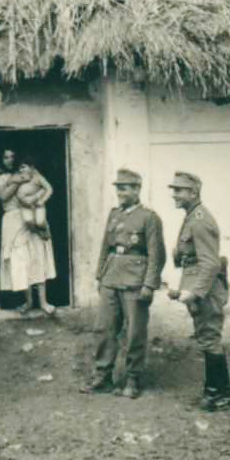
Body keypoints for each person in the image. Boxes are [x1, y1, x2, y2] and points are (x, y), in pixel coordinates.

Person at [81, 169, 165, 398]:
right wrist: (100, 275)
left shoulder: (149, 218)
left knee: (134, 331)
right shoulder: (114, 214)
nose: (119, 192)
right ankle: (103, 375)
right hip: (111, 276)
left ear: (137, 189)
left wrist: (149, 284)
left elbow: (157, 254)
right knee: (104, 328)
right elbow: (105, 247)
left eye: (124, 187)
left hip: (135, 281)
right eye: (117, 187)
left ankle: (132, 378)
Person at [168, 171, 230, 411]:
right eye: (173, 189)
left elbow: (211, 263)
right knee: (206, 338)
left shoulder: (200, 219)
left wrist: (194, 292)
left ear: (193, 193)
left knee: (209, 338)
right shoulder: (191, 216)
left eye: (178, 190)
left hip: (206, 290)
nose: (173, 194)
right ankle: (217, 390)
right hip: (197, 286)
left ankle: (218, 393)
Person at [0, 151, 57, 315]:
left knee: (38, 257)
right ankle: (29, 301)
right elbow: (3, 196)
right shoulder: (1, 176)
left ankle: (43, 302)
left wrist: (37, 195)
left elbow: (44, 187)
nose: (10, 160)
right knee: (21, 261)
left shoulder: (24, 174)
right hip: (14, 223)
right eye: (5, 157)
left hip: (30, 215)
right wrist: (18, 180)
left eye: (12, 157)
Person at [15, 162, 52, 238]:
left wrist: (42, 200)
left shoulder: (37, 177)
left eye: (23, 167)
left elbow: (49, 189)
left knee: (40, 222)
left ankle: (45, 229)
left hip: (37, 204)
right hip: (25, 205)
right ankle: (39, 233)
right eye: (19, 168)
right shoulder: (19, 176)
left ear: (31, 167)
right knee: (28, 221)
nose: (21, 170)